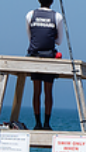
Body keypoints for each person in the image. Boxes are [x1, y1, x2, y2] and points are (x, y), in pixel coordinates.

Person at [25, 0, 67, 131]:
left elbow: (30, 38)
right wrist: (51, 37)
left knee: (36, 91)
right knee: (48, 92)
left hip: (34, 56)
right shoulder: (57, 16)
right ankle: (47, 124)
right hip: (49, 56)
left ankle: (37, 123)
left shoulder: (30, 15)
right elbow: (59, 41)